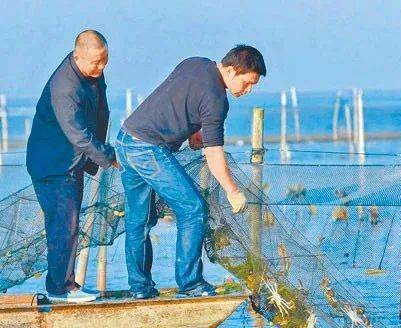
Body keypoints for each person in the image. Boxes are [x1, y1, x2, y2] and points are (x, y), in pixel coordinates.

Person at [115, 44, 266, 299]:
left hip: (125, 140)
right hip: (149, 148)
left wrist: (195, 129)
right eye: (247, 82)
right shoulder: (217, 100)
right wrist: (232, 191)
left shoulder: (196, 62)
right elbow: (213, 153)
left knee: (138, 221)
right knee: (193, 209)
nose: (248, 90)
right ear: (230, 70)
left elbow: (180, 95)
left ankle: (140, 289)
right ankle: (192, 284)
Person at [26, 30, 118, 303]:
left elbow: (101, 112)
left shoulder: (92, 73)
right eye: (95, 62)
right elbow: (77, 134)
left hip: (73, 162)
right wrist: (109, 156)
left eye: (104, 60)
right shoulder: (64, 86)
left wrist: (93, 159)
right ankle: (60, 289)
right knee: (64, 225)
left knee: (69, 223)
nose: (100, 67)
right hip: (53, 164)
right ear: (77, 56)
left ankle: (65, 285)